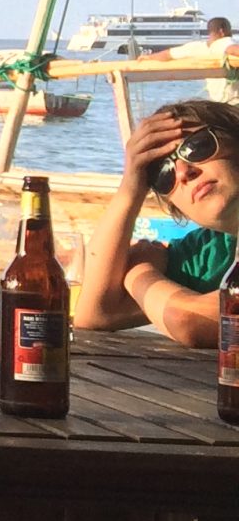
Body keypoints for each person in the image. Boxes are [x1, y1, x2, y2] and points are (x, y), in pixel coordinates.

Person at [75, 98, 239, 346]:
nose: (184, 173)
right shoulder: (211, 251)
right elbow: (95, 314)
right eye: (164, 176)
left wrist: (139, 271)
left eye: (197, 146)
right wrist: (131, 187)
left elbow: (190, 320)